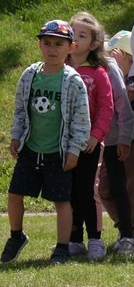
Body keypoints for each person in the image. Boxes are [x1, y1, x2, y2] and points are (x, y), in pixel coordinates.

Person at [3, 21, 91, 265]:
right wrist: (16, 136)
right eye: (47, 43)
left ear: (71, 47)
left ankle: (62, 248)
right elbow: (20, 110)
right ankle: (16, 235)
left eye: (59, 44)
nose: (52, 49)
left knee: (62, 201)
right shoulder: (30, 75)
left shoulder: (73, 81)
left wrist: (74, 150)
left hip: (58, 153)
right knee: (14, 194)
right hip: (31, 149)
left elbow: (82, 120)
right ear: (40, 45)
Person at [96, 31, 134, 255]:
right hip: (113, 143)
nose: (111, 59)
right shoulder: (111, 77)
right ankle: (126, 228)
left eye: (117, 55)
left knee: (133, 191)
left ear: (131, 58)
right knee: (106, 189)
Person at [66, 11, 114, 262]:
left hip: (89, 145)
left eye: (81, 35)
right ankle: (73, 240)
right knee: (69, 191)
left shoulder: (98, 73)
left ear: (94, 44)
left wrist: (96, 136)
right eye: (72, 33)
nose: (75, 38)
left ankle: (95, 238)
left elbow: (107, 109)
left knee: (86, 190)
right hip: (63, 144)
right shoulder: (59, 70)